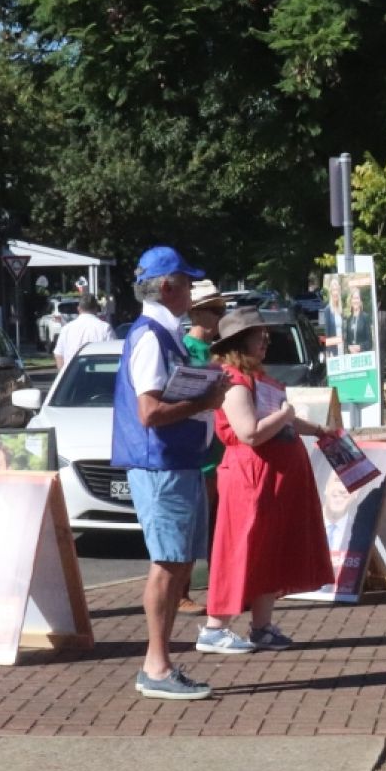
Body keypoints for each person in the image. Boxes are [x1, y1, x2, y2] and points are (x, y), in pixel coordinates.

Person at [110, 245, 227, 701]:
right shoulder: (150, 336)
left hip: (176, 462)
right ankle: (156, 666)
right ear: (168, 287)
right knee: (167, 564)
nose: (193, 291)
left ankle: (160, 664)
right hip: (162, 463)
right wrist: (205, 401)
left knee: (176, 563)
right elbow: (150, 411)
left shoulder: (164, 332)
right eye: (187, 282)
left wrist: (204, 392)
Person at [197, 307, 333, 654]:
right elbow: (250, 433)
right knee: (241, 548)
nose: (266, 340)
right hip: (250, 478)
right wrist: (285, 414)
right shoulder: (234, 381)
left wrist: (318, 430)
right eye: (260, 335)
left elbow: (283, 423)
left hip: (273, 478)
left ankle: (261, 626)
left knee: (268, 551)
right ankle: (215, 627)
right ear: (241, 342)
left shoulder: (262, 379)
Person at [177, 280, 228, 618]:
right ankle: (180, 591)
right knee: (193, 520)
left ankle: (221, 587)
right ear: (195, 311)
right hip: (196, 443)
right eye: (212, 310)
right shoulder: (185, 348)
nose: (218, 316)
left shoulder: (219, 351)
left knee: (218, 520)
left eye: (221, 310)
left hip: (220, 443)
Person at [53, 294, 114, 369]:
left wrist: (64, 376)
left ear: (78, 309)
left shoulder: (66, 329)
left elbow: (58, 355)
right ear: (96, 309)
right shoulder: (105, 328)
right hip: (98, 376)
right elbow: (113, 354)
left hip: (73, 377)